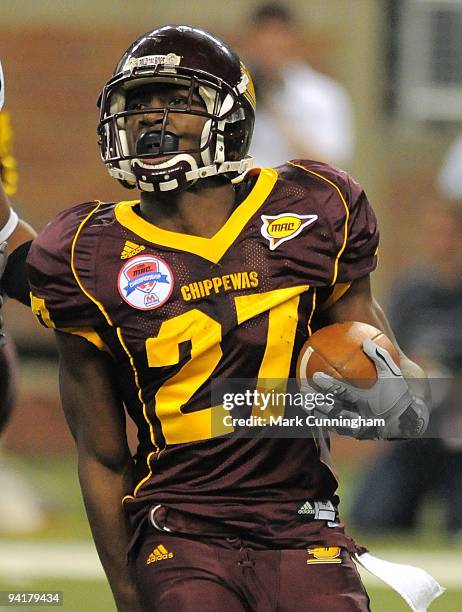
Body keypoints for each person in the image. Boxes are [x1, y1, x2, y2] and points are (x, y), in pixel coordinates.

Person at [2, 26, 437, 611]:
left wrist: (389, 396)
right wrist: (129, 593)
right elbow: (103, 456)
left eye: (178, 100)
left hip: (304, 522)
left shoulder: (313, 208)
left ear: (229, 115)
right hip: (181, 527)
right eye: (139, 102)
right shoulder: (88, 253)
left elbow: (398, 399)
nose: (152, 118)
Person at [350, 199, 462, 534]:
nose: (437, 242)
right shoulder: (411, 293)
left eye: (446, 233)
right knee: (372, 516)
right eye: (432, 233)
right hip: (416, 431)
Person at [245, 2, 355, 168]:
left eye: (277, 36)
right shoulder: (233, 91)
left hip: (298, 191)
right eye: (263, 37)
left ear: (293, 40)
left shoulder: (323, 96)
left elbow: (329, 164)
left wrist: (274, 109)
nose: (269, 46)